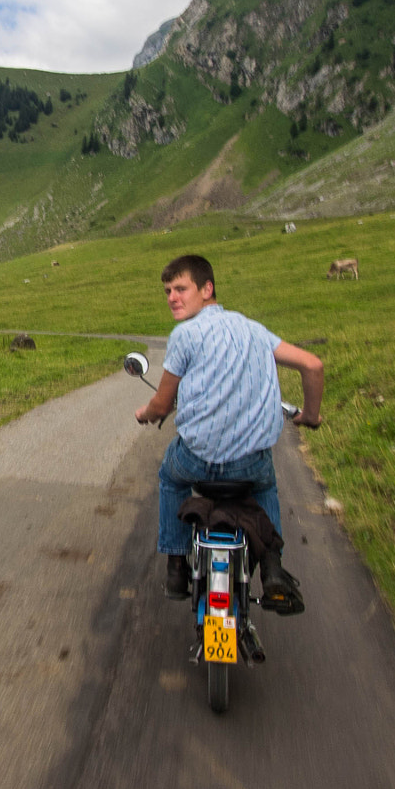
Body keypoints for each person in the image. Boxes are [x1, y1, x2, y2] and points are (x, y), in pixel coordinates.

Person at [134, 253, 324, 609]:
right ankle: (273, 568)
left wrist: (145, 414)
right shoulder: (255, 330)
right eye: (167, 291)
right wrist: (310, 416)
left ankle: (176, 564)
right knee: (266, 483)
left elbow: (161, 405)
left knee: (170, 479)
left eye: (180, 288)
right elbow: (312, 365)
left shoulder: (184, 335)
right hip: (248, 465)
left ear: (207, 289)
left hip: (196, 460)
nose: (172, 297)